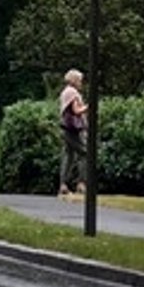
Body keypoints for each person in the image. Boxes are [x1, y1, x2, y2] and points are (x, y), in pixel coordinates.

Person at [57, 67, 88, 199]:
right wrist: (88, 107)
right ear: (75, 80)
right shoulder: (73, 93)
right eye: (80, 80)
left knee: (68, 155)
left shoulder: (65, 92)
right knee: (85, 154)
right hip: (74, 129)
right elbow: (76, 111)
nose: (81, 83)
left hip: (66, 128)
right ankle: (81, 183)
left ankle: (63, 184)